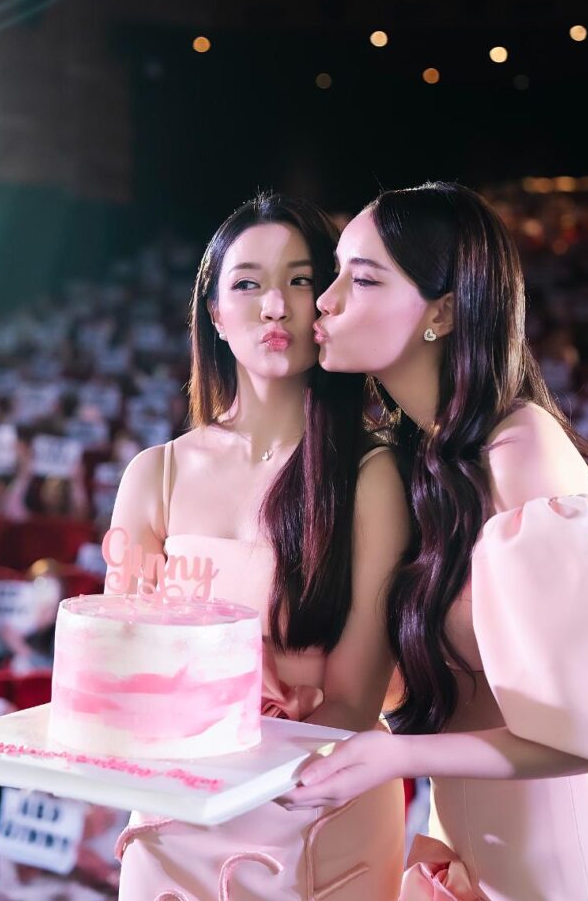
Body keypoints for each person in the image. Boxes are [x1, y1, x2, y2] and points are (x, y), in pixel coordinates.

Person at [283, 182, 588, 899]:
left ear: (443, 311)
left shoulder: (522, 450)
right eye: (334, 273)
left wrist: (398, 759)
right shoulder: (420, 464)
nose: (326, 301)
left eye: (363, 279)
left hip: (555, 865)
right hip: (465, 849)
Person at [106, 193, 408, 900]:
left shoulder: (371, 474)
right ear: (214, 313)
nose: (275, 307)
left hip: (313, 806)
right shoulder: (155, 473)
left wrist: (233, 772)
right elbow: (124, 672)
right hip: (175, 813)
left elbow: (353, 701)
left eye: (300, 280)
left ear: (328, 301)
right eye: (247, 284)